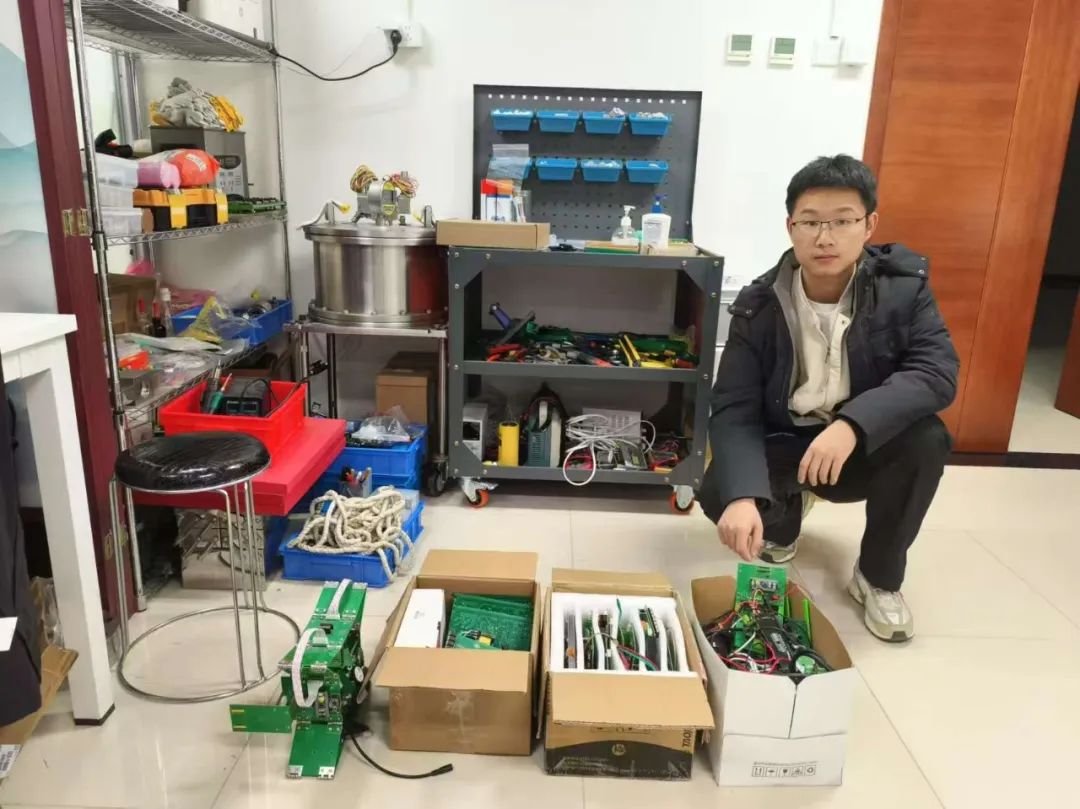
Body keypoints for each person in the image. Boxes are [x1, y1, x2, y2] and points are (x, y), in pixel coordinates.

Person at [697, 154, 959, 642]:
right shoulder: (758, 304)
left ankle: (877, 577)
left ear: (869, 225)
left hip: (859, 446)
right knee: (719, 490)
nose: (825, 237)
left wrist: (853, 424)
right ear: (790, 226)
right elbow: (734, 407)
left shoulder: (903, 290)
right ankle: (782, 523)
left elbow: (936, 372)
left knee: (927, 438)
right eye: (811, 222)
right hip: (788, 440)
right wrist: (741, 497)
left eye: (842, 221)